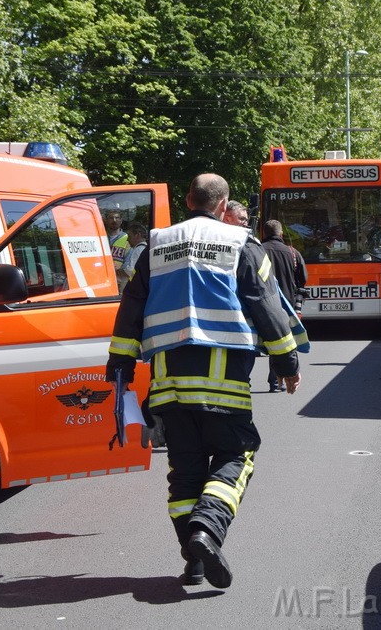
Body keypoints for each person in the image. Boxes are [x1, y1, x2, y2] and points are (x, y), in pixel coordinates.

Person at [106, 173, 307, 589]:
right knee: (238, 456)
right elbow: (266, 306)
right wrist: (287, 364)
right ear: (222, 205)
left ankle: (194, 561)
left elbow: (131, 309)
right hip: (222, 387)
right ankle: (207, 530)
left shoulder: (156, 246)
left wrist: (119, 365)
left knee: (184, 476)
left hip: (168, 387)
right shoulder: (241, 246)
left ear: (187, 198)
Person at [261, 219, 308, 392]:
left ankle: (267, 379)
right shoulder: (293, 252)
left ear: (264, 234)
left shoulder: (257, 250)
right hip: (286, 303)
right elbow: (302, 278)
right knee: (283, 341)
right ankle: (278, 378)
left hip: (263, 302)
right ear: (281, 234)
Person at [117, 222, 148, 292]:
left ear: (137, 235)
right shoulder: (144, 249)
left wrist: (117, 272)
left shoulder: (138, 250)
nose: (127, 240)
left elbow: (130, 271)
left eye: (130, 236)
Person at [104, 208, 130, 275]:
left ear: (121, 221)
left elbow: (128, 264)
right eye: (111, 218)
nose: (114, 220)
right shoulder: (101, 237)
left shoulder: (128, 238)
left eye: (117, 218)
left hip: (119, 281)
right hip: (102, 277)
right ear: (106, 221)